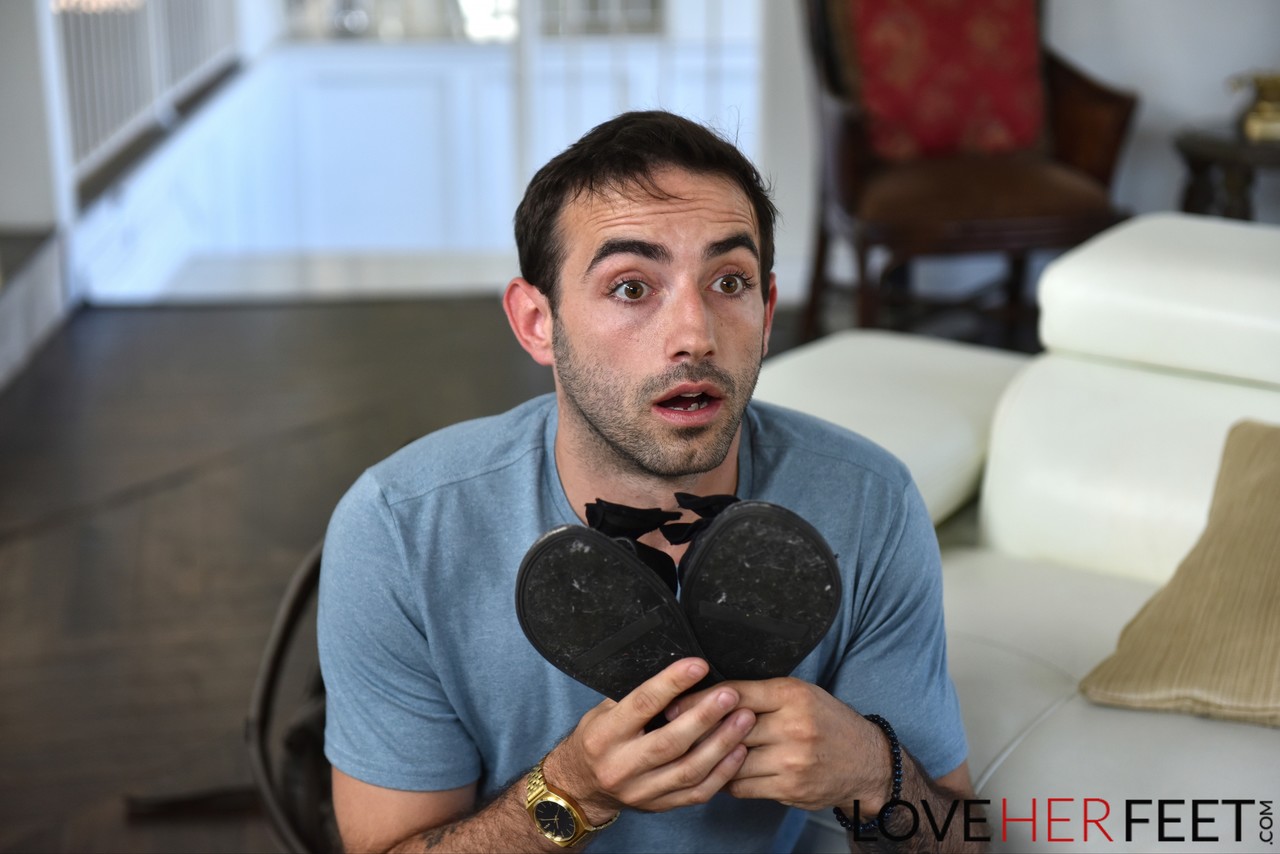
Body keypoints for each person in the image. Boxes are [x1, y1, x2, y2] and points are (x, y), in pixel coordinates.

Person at [319, 110, 978, 853]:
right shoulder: (397, 529)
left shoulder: (871, 503)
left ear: (766, 313)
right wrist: (572, 791)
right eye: (632, 287)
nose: (695, 334)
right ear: (538, 322)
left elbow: (962, 838)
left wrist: (872, 773)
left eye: (729, 281)